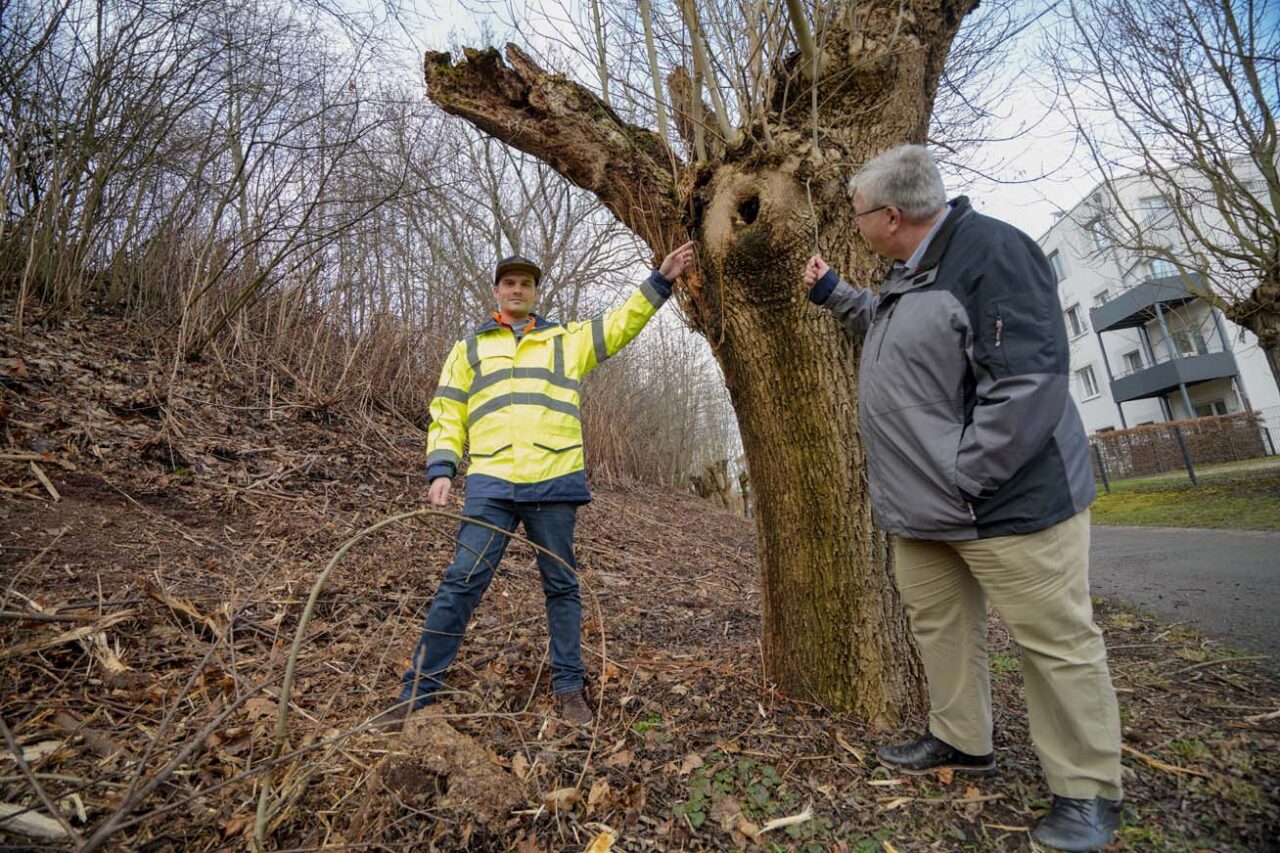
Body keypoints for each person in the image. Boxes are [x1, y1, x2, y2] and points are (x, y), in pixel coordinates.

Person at [801, 144, 1122, 852]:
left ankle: (1087, 790)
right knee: (940, 628)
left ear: (891, 215)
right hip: (924, 514)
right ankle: (961, 739)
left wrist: (963, 473)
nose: (852, 224)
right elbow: (901, 337)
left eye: (856, 214)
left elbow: (1027, 385)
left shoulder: (992, 254)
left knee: (1056, 643)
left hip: (1003, 505)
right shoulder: (909, 273)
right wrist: (839, 296)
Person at [376, 242, 696, 732]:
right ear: (497, 292)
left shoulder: (565, 340)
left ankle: (569, 687)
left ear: (535, 292)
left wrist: (661, 280)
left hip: (553, 483)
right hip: (491, 483)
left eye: (525, 283)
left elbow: (619, 324)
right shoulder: (469, 348)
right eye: (510, 283)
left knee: (561, 586)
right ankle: (417, 690)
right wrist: (441, 467)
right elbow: (447, 411)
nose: (517, 290)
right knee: (461, 581)